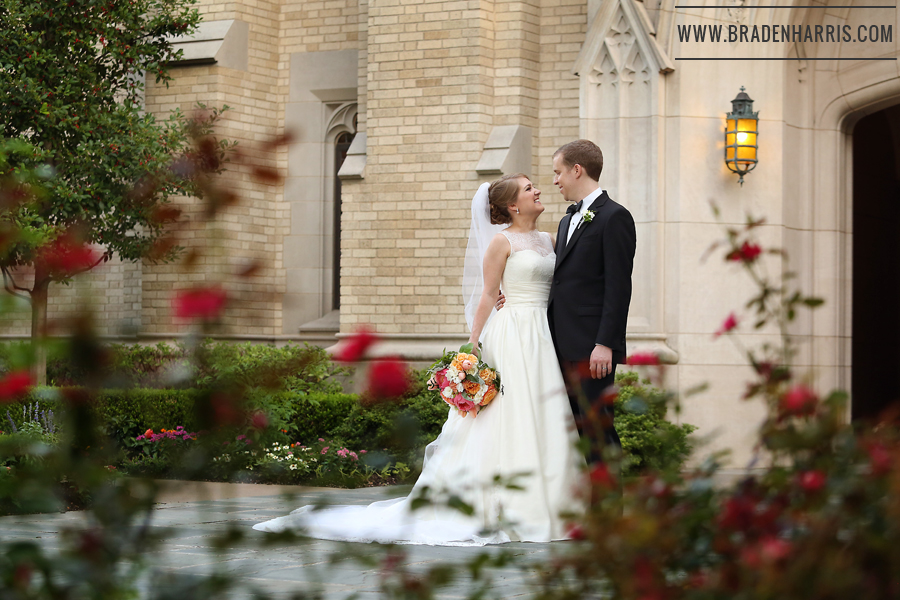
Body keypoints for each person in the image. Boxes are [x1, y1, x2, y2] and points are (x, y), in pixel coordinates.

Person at [252, 174, 585, 545]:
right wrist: (471, 347)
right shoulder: (501, 241)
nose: (537, 190)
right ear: (512, 205)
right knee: (510, 414)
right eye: (528, 188)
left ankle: (554, 504)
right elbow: (490, 295)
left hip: (542, 335)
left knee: (543, 413)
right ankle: (505, 506)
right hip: (511, 336)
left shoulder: (550, 238)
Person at [548, 140, 636, 463]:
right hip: (558, 346)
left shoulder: (615, 218)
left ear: (576, 169)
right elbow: (559, 280)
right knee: (572, 435)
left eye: (558, 173)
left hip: (591, 351)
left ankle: (610, 513)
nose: (555, 181)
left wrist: (605, 343)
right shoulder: (565, 220)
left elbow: (618, 286)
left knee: (598, 433)